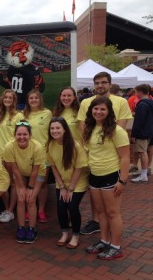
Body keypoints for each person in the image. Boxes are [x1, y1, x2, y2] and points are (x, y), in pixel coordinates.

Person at [77, 71, 133, 235]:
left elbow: (121, 131)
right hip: (94, 162)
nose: (100, 85)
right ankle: (100, 230)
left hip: (111, 163)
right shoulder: (86, 102)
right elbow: (83, 126)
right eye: (97, 83)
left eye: (103, 82)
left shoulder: (121, 102)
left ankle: (114, 243)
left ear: (109, 84)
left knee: (112, 210)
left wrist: (122, 180)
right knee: (98, 203)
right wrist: (89, 144)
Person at [83, 96, 129, 260]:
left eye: (103, 109)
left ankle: (116, 247)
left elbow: (125, 157)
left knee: (112, 212)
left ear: (109, 111)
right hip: (95, 176)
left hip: (111, 175)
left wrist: (122, 180)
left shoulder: (117, 131)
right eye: (96, 108)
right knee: (101, 211)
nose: (98, 111)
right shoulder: (91, 128)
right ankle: (104, 240)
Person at [46, 117, 89, 249]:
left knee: (72, 206)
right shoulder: (50, 145)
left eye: (58, 128)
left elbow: (79, 168)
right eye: (52, 128)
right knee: (61, 206)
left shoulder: (75, 146)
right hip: (62, 182)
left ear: (65, 129)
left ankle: (75, 235)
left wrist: (70, 188)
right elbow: (52, 166)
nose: (55, 131)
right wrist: (62, 186)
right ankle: (64, 233)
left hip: (77, 181)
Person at [3, 121, 45, 244]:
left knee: (31, 199)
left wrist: (30, 188)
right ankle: (21, 228)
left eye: (25, 134)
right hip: (20, 172)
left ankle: (32, 229)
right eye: (19, 134)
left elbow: (36, 170)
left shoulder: (37, 147)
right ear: (14, 135)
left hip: (37, 173)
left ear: (30, 135)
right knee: (21, 199)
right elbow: (14, 168)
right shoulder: (9, 146)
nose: (22, 137)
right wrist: (21, 187)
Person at [0, 89, 24, 223]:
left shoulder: (18, 116)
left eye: (10, 98)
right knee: (3, 183)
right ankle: (7, 210)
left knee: (13, 184)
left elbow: (22, 136)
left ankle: (11, 210)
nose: (7, 100)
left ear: (14, 100)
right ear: (2, 99)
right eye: (5, 97)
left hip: (12, 155)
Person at [22, 89, 52, 223]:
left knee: (43, 183)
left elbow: (52, 133)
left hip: (44, 154)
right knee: (29, 182)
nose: (33, 100)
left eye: (36, 98)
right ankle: (29, 208)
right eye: (31, 98)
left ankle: (41, 210)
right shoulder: (23, 115)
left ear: (40, 99)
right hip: (27, 154)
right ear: (27, 100)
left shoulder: (47, 113)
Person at [130, 84, 153, 183]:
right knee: (145, 151)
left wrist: (134, 134)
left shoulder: (142, 104)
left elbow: (138, 121)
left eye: (135, 92)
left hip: (142, 133)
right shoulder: (150, 102)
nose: (135, 94)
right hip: (149, 131)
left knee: (142, 152)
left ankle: (143, 175)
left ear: (140, 92)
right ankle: (144, 172)